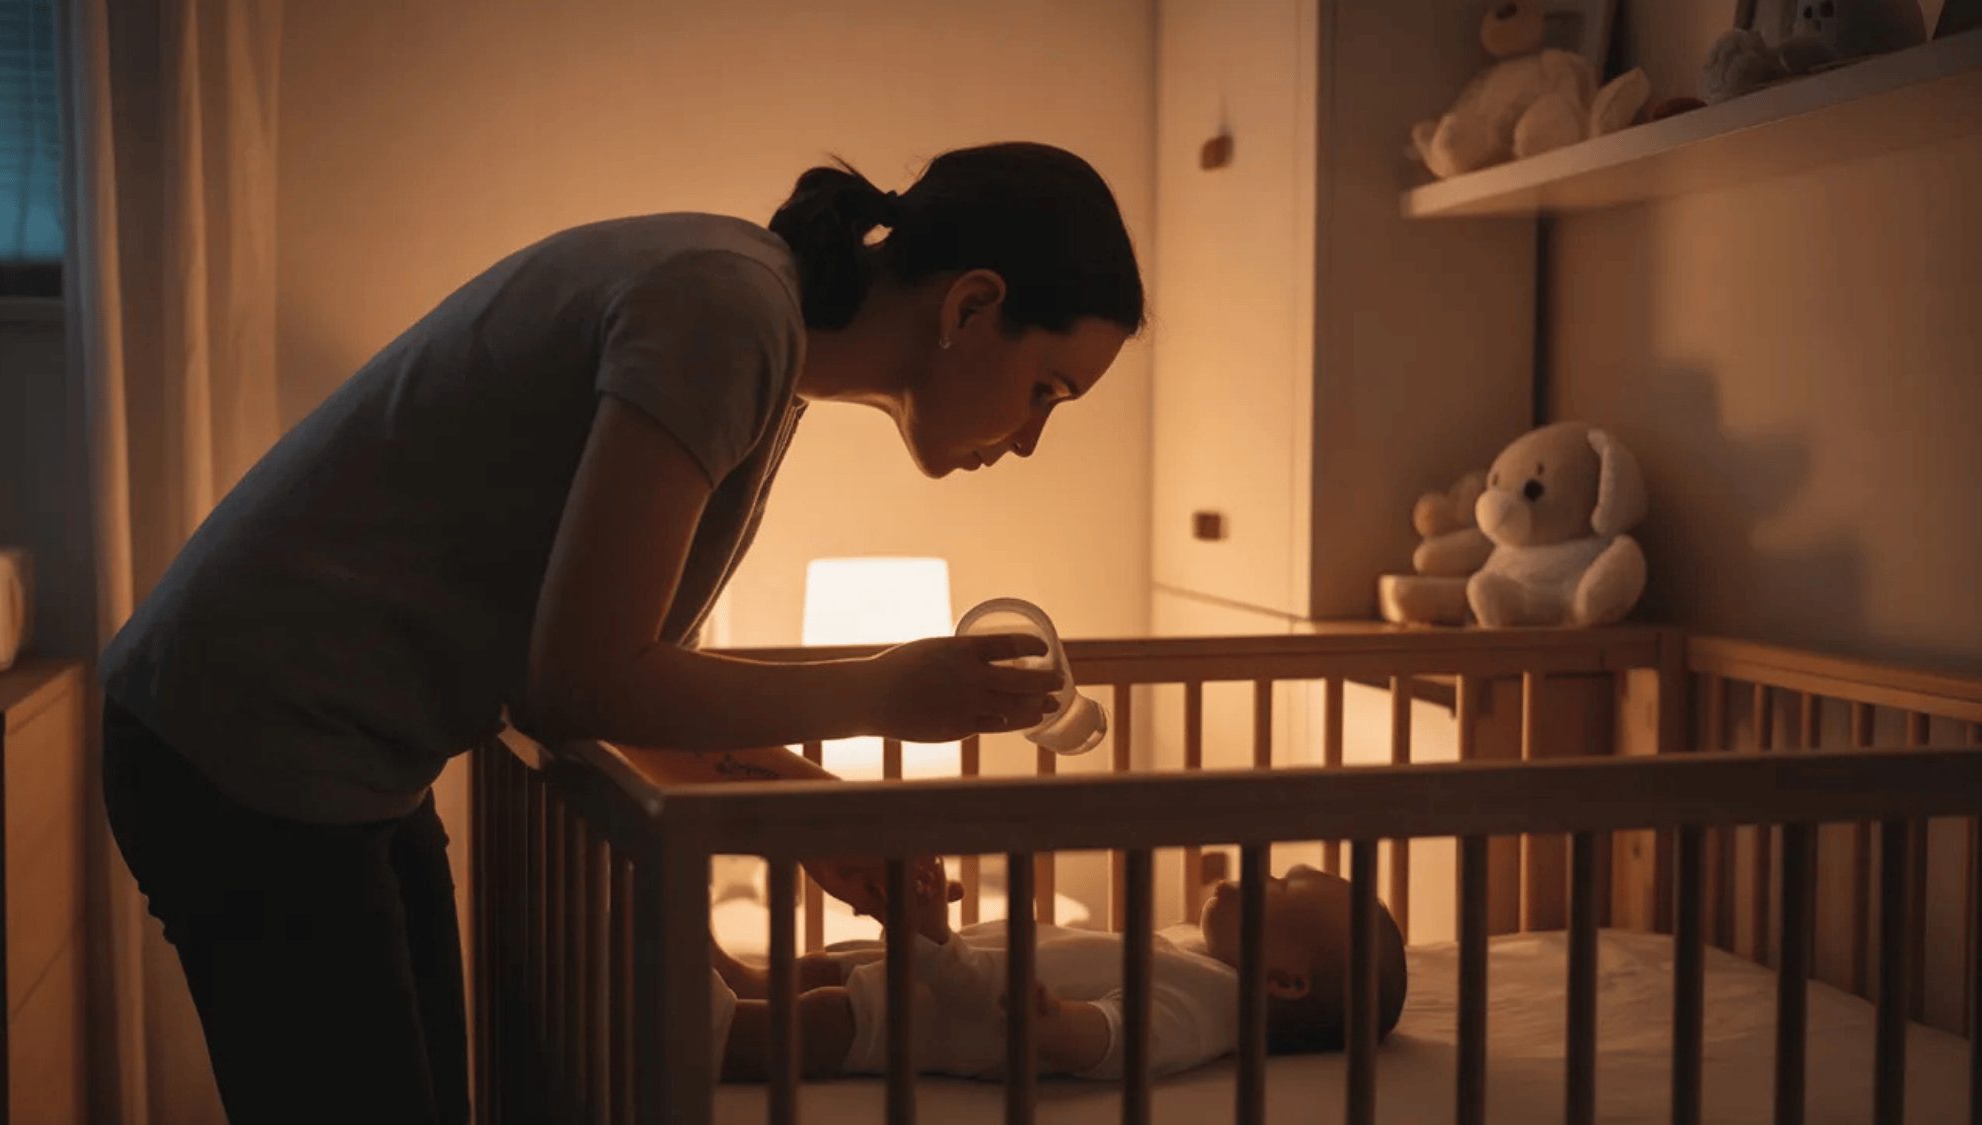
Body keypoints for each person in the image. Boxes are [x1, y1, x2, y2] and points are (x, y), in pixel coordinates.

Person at [97, 140, 1147, 1125]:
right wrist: (884, 692)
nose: (1027, 440)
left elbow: (611, 678)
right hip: (245, 734)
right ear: (971, 306)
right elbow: (583, 682)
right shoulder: (725, 312)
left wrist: (802, 808)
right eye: (1044, 391)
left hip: (329, 748)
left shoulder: (756, 335)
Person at [715, 862, 1409, 1082]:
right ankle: (715, 973)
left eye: (1280, 887)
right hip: (931, 966)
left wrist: (1056, 1022)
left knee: (790, 1024)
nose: (1254, 871)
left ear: (1283, 980)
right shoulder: (1197, 959)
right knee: (796, 971)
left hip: (921, 1017)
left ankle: (668, 1018)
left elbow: (1112, 1037)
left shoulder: (1207, 1009)